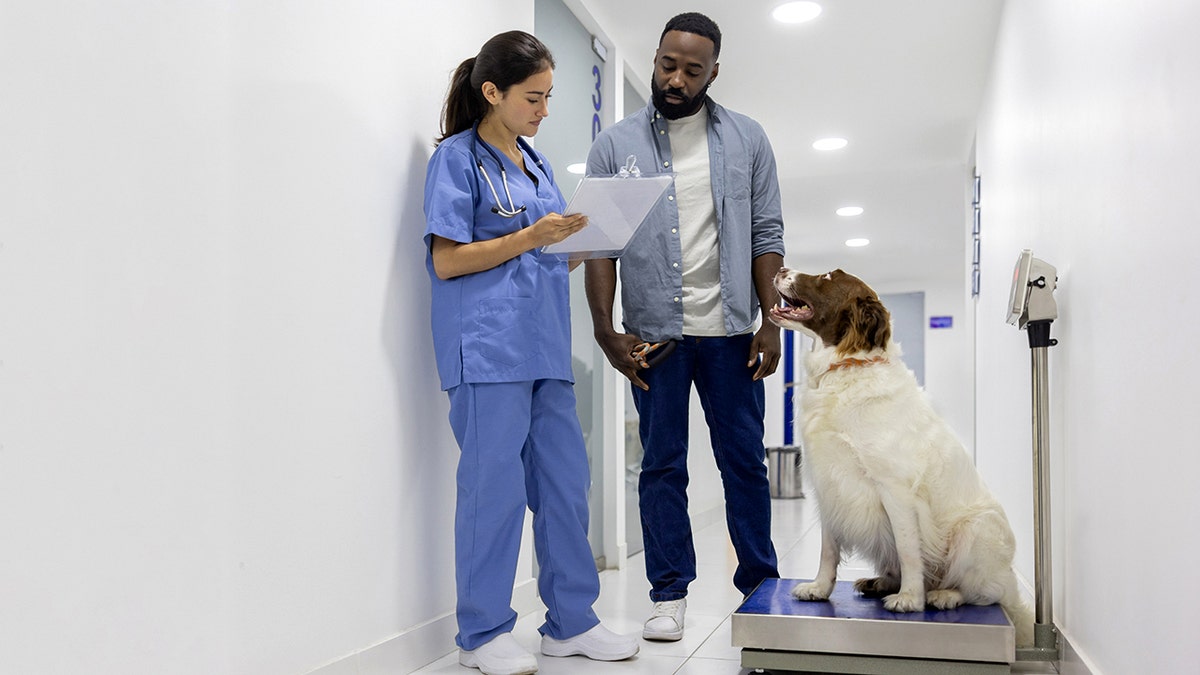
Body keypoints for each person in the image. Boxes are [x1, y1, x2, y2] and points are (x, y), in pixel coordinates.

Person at [423, 30, 639, 675]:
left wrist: (584, 240)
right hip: (486, 349)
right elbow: (447, 259)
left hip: (544, 346)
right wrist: (531, 237)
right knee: (493, 493)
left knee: (565, 486)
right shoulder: (457, 159)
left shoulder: (536, 164)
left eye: (549, 97)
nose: (545, 110)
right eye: (534, 97)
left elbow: (540, 257)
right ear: (492, 92)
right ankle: (481, 635)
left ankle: (571, 624)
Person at [584, 12, 784, 642]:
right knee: (663, 466)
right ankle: (669, 594)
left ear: (713, 73)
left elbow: (767, 237)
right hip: (656, 336)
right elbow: (599, 247)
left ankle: (760, 586)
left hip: (730, 333)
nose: (675, 78)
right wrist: (604, 330)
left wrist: (771, 321)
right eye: (668, 64)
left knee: (744, 464)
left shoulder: (748, 140)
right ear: (656, 58)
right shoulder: (618, 146)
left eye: (691, 70)